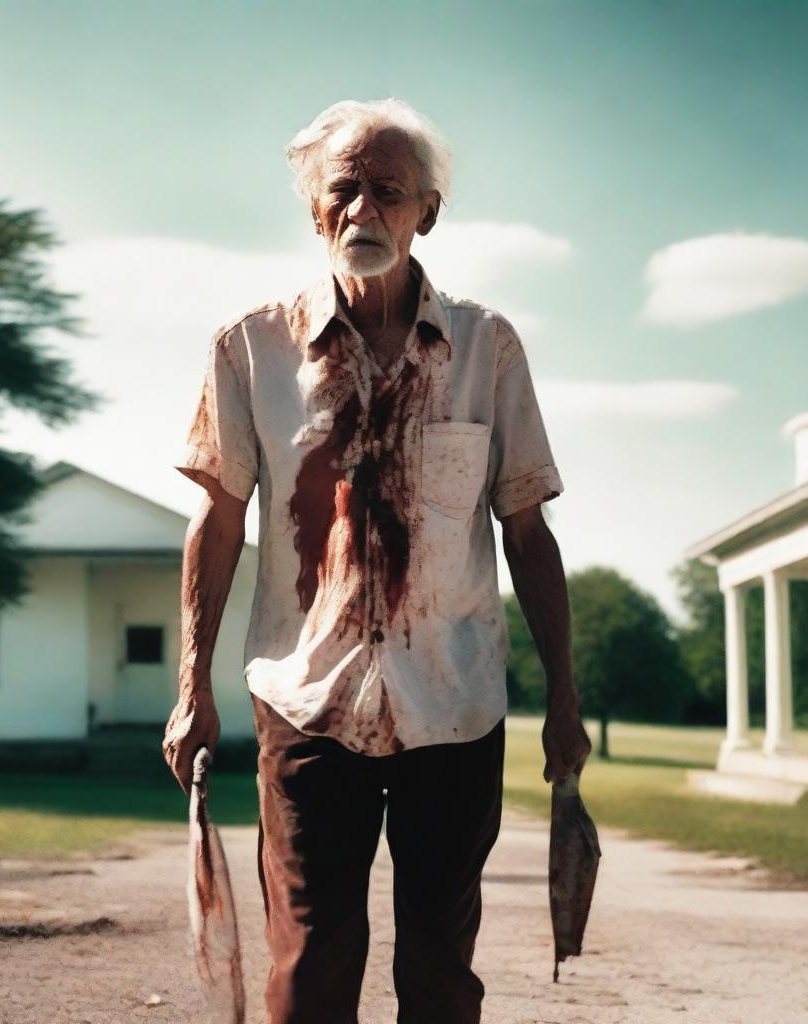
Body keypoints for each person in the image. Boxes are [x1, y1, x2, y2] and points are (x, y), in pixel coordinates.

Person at [162, 97, 591, 1024]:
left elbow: (527, 531)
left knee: (440, 969)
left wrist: (565, 698)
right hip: (307, 700)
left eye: (386, 193)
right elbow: (221, 520)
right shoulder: (251, 347)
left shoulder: (486, 346)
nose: (362, 213)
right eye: (342, 191)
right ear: (314, 209)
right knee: (313, 962)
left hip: (457, 704)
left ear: (427, 211)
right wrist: (192, 685)